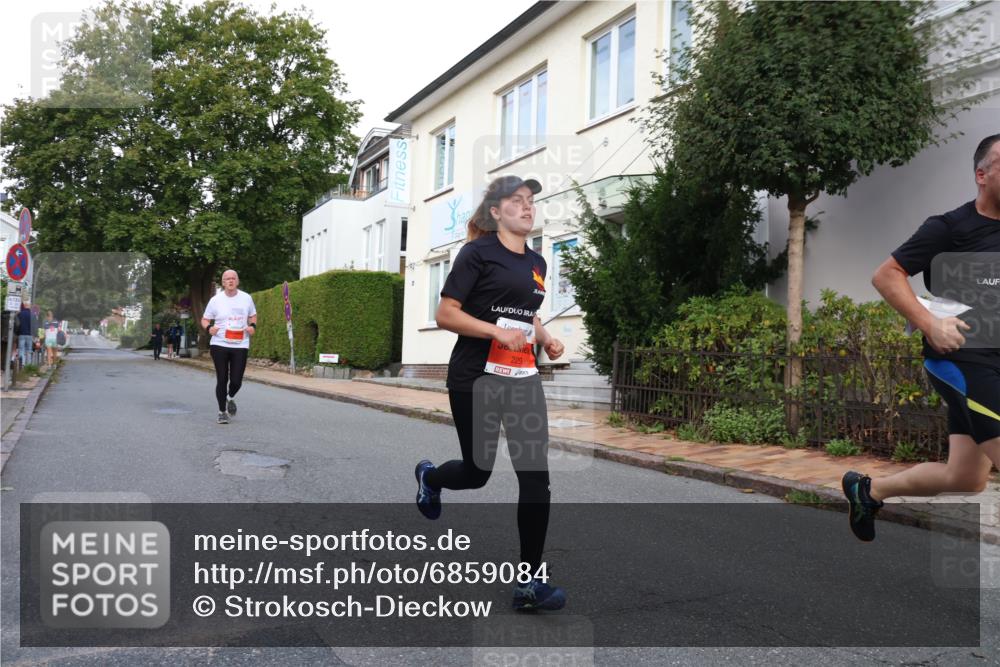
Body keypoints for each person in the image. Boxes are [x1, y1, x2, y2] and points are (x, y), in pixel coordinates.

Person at [414, 175, 568, 611]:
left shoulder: (537, 261)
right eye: (516, 201)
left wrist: (546, 337)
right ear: (496, 212)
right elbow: (445, 313)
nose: (527, 206)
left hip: (522, 378)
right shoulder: (476, 253)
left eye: (530, 201)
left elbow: (525, 314)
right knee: (478, 471)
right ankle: (431, 477)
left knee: (536, 478)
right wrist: (494, 331)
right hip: (475, 376)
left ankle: (529, 583)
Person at [844, 134, 1000, 542]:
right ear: (982, 175)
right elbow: (887, 275)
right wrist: (929, 321)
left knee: (965, 478)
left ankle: (869, 490)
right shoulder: (949, 228)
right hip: (963, 360)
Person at [201, 269, 257, 424]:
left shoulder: (246, 298)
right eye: (227, 279)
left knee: (236, 381)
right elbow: (205, 319)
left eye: (233, 278)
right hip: (219, 343)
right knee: (222, 378)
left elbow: (253, 315)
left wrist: (253, 326)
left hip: (241, 344)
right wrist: (209, 328)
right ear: (223, 282)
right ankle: (221, 412)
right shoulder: (215, 300)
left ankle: (229, 397)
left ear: (237, 281)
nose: (230, 281)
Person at [16, 301, 34, 368]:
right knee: (29, 349)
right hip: (30, 335)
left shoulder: (20, 314)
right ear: (29, 306)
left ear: (24, 305)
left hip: (21, 334)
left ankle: (22, 364)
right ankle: (28, 364)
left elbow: (17, 324)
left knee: (21, 349)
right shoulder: (33, 315)